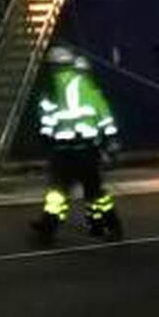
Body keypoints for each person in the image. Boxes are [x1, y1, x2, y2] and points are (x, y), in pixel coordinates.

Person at [30, 44, 121, 244]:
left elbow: (47, 117)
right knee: (96, 192)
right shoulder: (87, 84)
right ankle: (114, 227)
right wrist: (111, 141)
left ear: (52, 65)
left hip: (63, 150)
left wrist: (45, 138)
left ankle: (47, 233)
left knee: (58, 192)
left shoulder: (51, 86)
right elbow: (103, 113)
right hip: (88, 149)